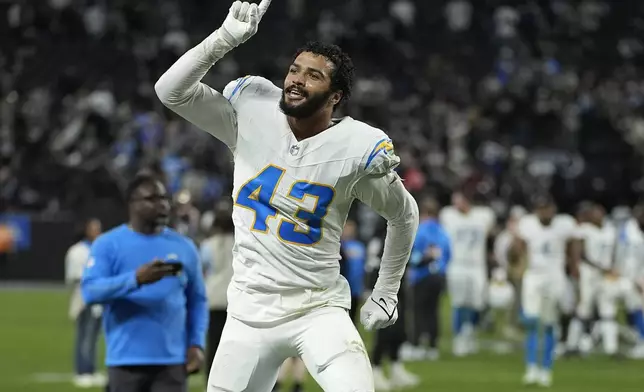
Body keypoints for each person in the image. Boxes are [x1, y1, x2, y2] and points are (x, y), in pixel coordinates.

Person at [154, 1, 420, 391]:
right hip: (247, 312)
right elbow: (170, 92)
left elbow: (404, 214)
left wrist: (386, 289)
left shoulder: (355, 148)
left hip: (318, 308)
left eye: (313, 76)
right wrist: (225, 38)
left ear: (336, 97)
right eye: (294, 70)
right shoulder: (252, 112)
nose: (296, 80)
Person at [81, 172, 209, 392]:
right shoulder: (108, 244)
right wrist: (135, 279)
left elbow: (197, 300)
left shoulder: (185, 247)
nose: (162, 205)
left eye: (164, 198)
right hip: (125, 362)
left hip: (173, 363)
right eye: (152, 199)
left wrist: (196, 343)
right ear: (132, 204)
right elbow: (90, 291)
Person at [509, 195, 579, 387]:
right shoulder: (528, 224)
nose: (545, 212)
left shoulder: (565, 224)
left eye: (547, 208)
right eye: (541, 209)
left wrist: (574, 269)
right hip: (534, 276)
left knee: (549, 324)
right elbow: (517, 250)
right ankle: (531, 368)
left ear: (553, 209)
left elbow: (573, 248)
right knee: (532, 323)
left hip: (554, 276)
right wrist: (514, 246)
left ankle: (546, 370)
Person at [439, 191, 495, 356]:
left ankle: (469, 331)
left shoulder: (483, 215)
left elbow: (490, 230)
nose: (457, 204)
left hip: (477, 265)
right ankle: (459, 337)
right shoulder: (448, 215)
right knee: (459, 302)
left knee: (477, 302)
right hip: (457, 264)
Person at [406, 196, 451, 361]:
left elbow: (414, 255)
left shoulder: (420, 230)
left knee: (418, 312)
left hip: (421, 276)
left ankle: (416, 345)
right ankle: (432, 347)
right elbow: (448, 255)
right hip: (438, 277)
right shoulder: (443, 232)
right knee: (433, 312)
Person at [65, 218, 104, 388]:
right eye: (94, 229)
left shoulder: (102, 249)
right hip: (83, 297)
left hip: (99, 298)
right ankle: (81, 371)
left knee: (94, 336)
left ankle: (91, 369)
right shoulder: (77, 251)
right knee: (84, 335)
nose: (97, 232)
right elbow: (73, 276)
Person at [201, 198, 235, 382]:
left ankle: (211, 381)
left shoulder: (208, 245)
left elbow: (203, 269)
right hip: (234, 299)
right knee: (233, 344)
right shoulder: (239, 242)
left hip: (213, 298)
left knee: (213, 343)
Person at [340, 219, 367, 323]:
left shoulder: (360, 246)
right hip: (343, 286)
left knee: (354, 317)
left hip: (356, 287)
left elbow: (363, 266)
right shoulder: (340, 246)